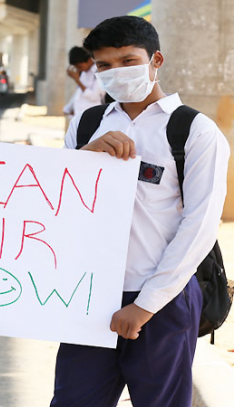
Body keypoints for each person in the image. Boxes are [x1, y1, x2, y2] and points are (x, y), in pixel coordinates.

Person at [51, 16, 229, 406]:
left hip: (163, 298)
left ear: (156, 60)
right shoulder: (85, 125)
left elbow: (199, 226)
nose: (116, 73)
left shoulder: (194, 131)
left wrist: (146, 305)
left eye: (128, 60)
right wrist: (82, 159)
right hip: (90, 296)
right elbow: (58, 205)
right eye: (104, 66)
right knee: (73, 399)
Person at [63, 46, 106, 120]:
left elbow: (94, 97)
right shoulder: (83, 73)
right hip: (79, 115)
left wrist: (77, 80)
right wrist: (68, 108)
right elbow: (79, 93)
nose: (79, 69)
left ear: (89, 60)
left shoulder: (98, 72)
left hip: (93, 116)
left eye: (80, 66)